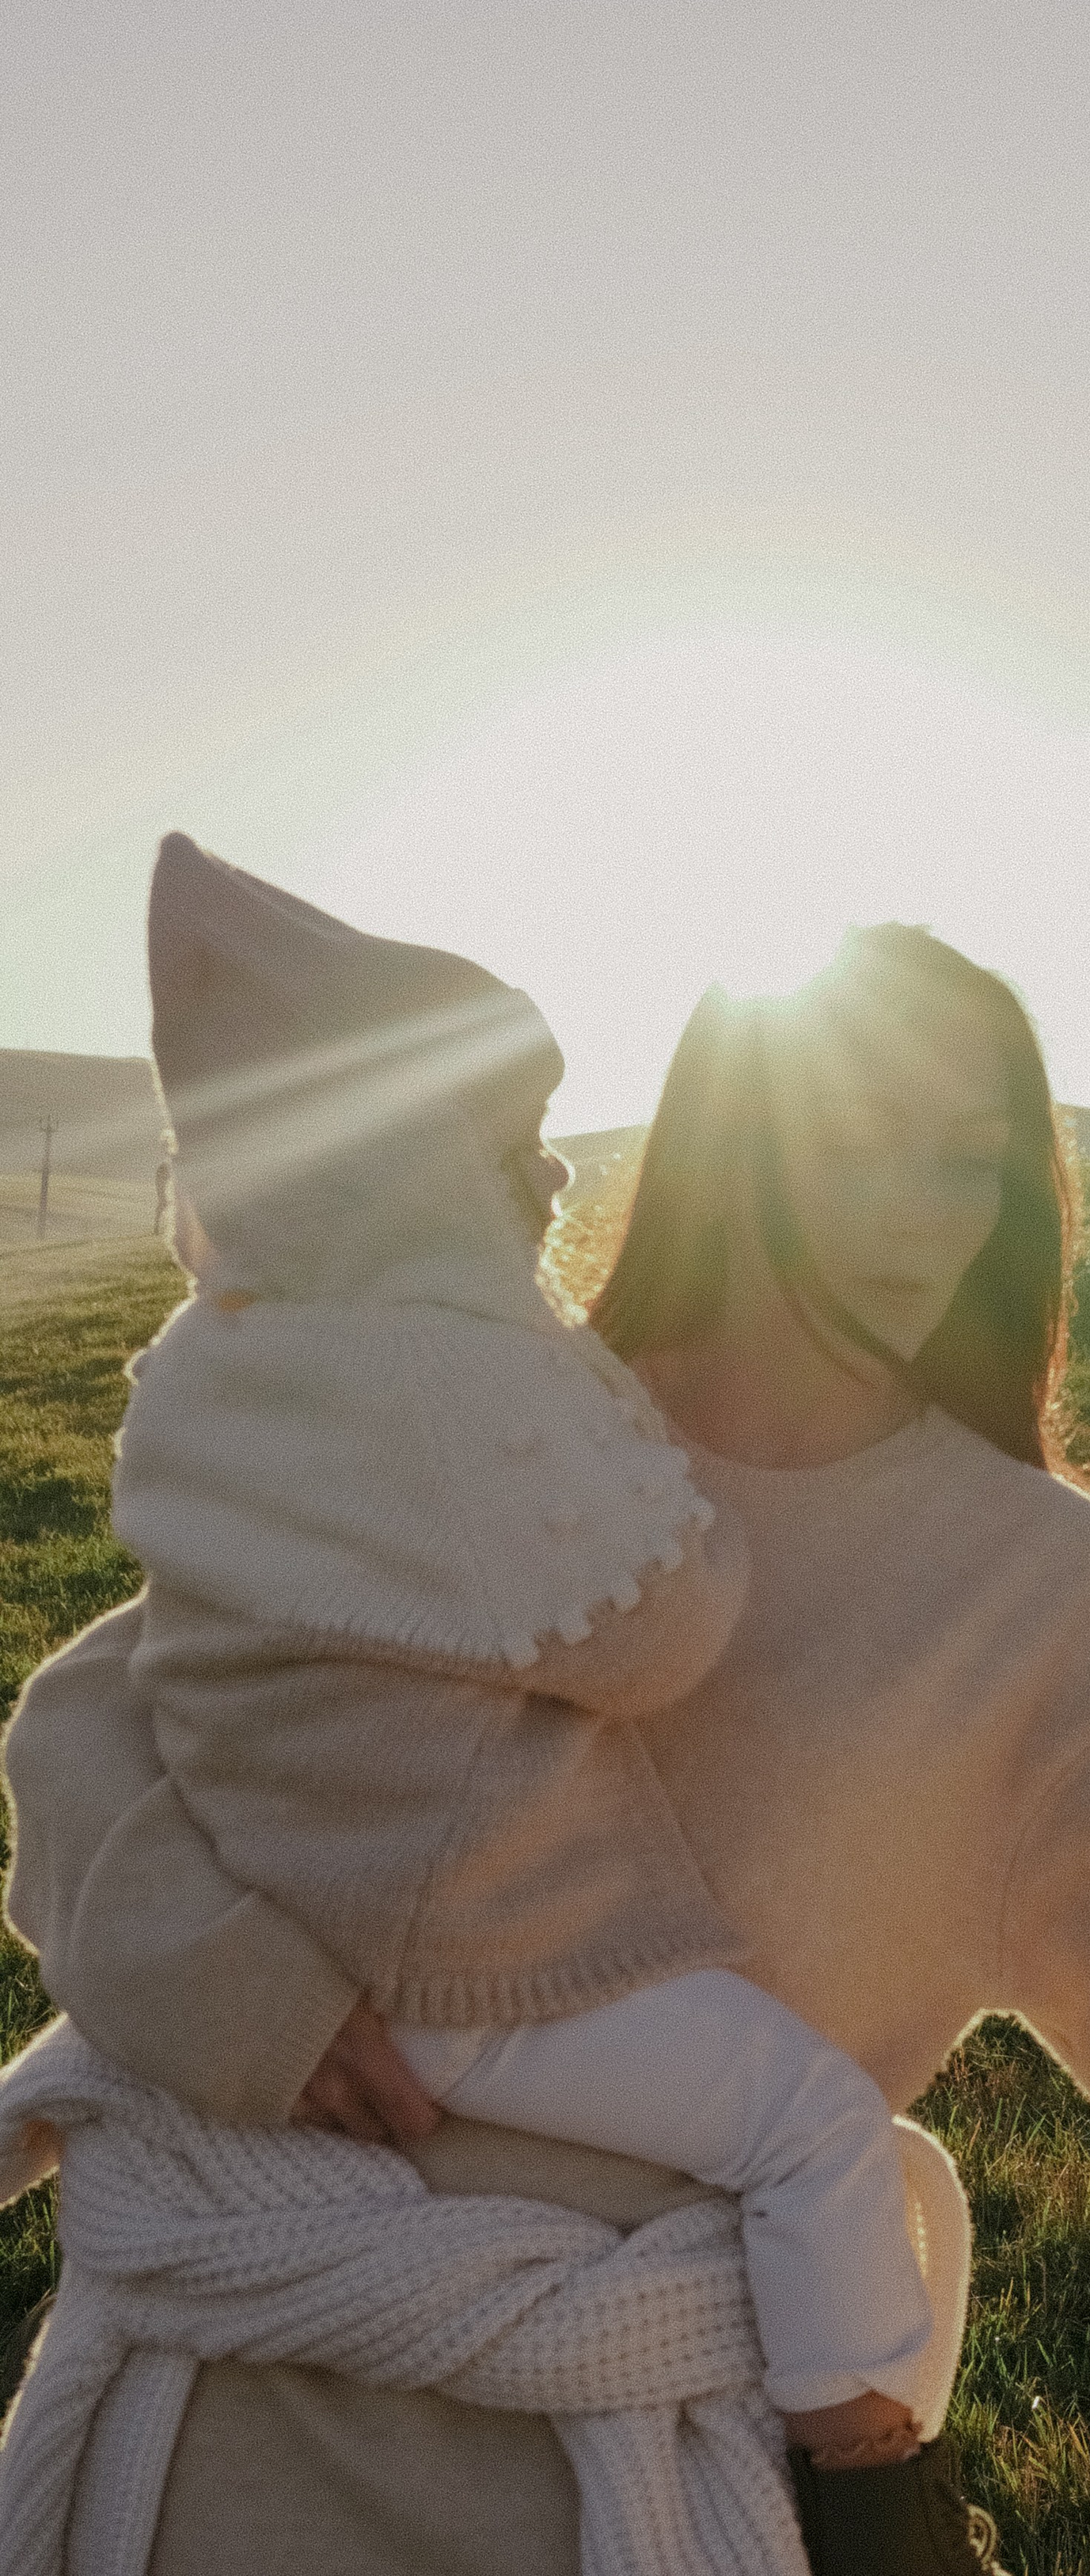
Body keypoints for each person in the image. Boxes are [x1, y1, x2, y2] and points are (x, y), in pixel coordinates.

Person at [4, 902, 1090, 2576]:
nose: (920, 1210)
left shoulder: (1034, 1586)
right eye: (859, 1137)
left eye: (965, 1158)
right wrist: (242, 1989)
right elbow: (107, 1722)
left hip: (616, 2484)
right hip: (225, 2430)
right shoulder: (480, 1408)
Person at [101, 834, 963, 2549]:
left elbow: (137, 1662)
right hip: (473, 1946)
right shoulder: (446, 1387)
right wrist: (622, 1434)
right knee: (810, 2127)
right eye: (506, 1151)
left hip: (312, 1907)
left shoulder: (211, 1362)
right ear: (400, 1173)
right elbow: (657, 1629)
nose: (553, 1182)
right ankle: (875, 2494)